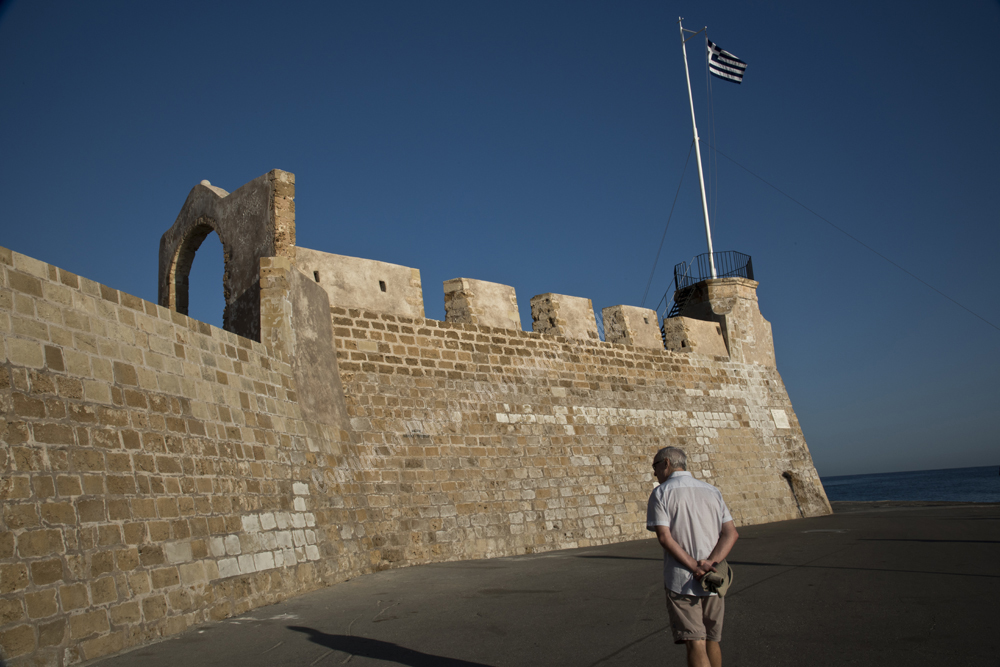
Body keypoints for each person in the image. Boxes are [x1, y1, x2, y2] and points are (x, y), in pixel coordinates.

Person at [647, 446, 739, 667]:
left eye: (655, 466)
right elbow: (731, 533)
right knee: (712, 640)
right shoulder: (712, 491)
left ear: (666, 464)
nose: (655, 473)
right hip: (714, 579)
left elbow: (664, 537)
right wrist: (710, 564)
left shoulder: (661, 493)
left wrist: (693, 566)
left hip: (682, 581)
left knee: (695, 643)